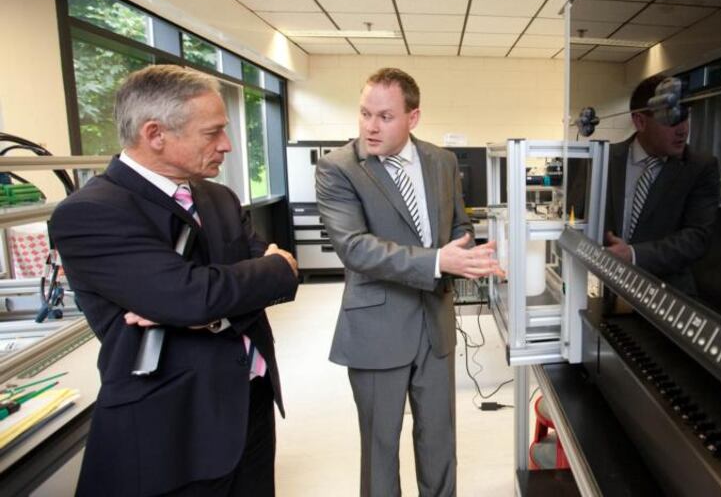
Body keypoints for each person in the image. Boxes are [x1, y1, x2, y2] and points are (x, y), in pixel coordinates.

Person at [50, 65, 299, 497]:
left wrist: (206, 304)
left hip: (250, 402)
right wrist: (213, 294)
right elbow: (193, 297)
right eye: (212, 132)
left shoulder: (218, 197)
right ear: (155, 134)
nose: (227, 145)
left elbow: (271, 276)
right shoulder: (91, 212)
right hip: (171, 426)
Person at [315, 68, 503, 497]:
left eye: (385, 117)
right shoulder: (338, 168)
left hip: (435, 322)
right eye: (364, 113)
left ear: (413, 117)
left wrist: (468, 255)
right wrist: (438, 260)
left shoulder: (442, 161)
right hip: (377, 326)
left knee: (439, 440)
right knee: (380, 448)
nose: (370, 126)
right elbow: (355, 248)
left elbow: (458, 224)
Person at [603, 75, 721, 296]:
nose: (683, 129)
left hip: (665, 298)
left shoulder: (699, 167)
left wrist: (634, 255)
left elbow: (697, 238)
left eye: (685, 116)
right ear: (640, 121)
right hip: (605, 292)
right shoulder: (603, 159)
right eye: (671, 118)